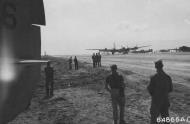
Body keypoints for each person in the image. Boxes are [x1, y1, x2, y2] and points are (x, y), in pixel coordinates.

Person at [147, 60, 173, 124]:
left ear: (155, 67)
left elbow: (149, 89)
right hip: (165, 101)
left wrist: (155, 94)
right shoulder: (168, 77)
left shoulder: (154, 77)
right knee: (166, 119)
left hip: (156, 101)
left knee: (154, 119)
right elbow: (170, 89)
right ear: (162, 66)